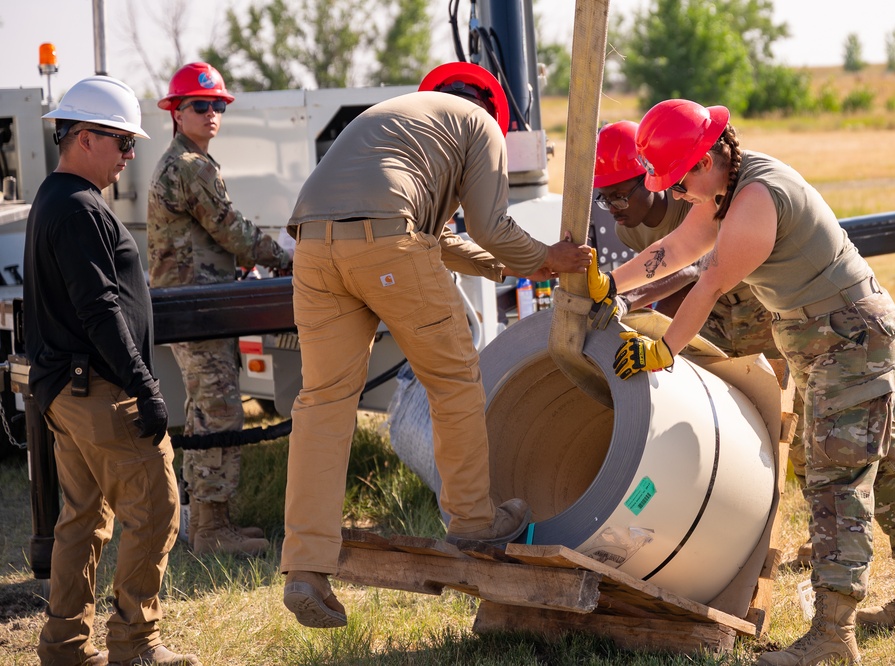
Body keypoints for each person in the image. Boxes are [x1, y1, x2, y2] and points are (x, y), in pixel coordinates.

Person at [586, 99, 895, 665]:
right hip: (825, 339)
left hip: (849, 339)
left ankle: (834, 635)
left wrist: (662, 349)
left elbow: (707, 283)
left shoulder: (755, 197)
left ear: (708, 158)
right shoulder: (724, 189)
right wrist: (612, 283)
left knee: (835, 478)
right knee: (876, 461)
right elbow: (678, 247)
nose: (678, 194)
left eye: (680, 181)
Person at [279, 62, 592, 629]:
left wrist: (505, 268)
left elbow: (440, 238)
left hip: (313, 244)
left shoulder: (401, 120)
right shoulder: (483, 126)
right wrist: (549, 259)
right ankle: (473, 520)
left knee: (322, 405)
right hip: (388, 241)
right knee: (453, 381)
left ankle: (305, 566)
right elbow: (489, 225)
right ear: (493, 106)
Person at [24, 76, 200, 666]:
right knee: (156, 507)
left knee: (82, 522)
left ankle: (66, 647)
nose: (130, 156)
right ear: (81, 137)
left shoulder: (56, 198)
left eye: (131, 144)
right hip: (98, 388)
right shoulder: (75, 208)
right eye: (122, 142)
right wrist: (145, 388)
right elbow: (99, 308)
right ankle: (135, 644)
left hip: (67, 389)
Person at [592, 120, 812, 567]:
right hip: (706, 314)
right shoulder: (631, 226)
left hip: (751, 303)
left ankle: (816, 535)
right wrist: (614, 289)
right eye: (604, 197)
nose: (614, 207)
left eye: (621, 193)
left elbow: (697, 267)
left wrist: (629, 299)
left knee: (787, 417)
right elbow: (668, 266)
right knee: (728, 423)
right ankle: (742, 534)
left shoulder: (699, 190)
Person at [148, 62, 292, 557]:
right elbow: (231, 229)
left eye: (218, 106)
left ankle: (213, 522)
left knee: (209, 409)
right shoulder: (190, 166)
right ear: (176, 112)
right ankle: (210, 531)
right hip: (196, 307)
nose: (211, 114)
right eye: (199, 106)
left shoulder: (187, 162)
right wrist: (283, 256)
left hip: (199, 304)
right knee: (217, 410)